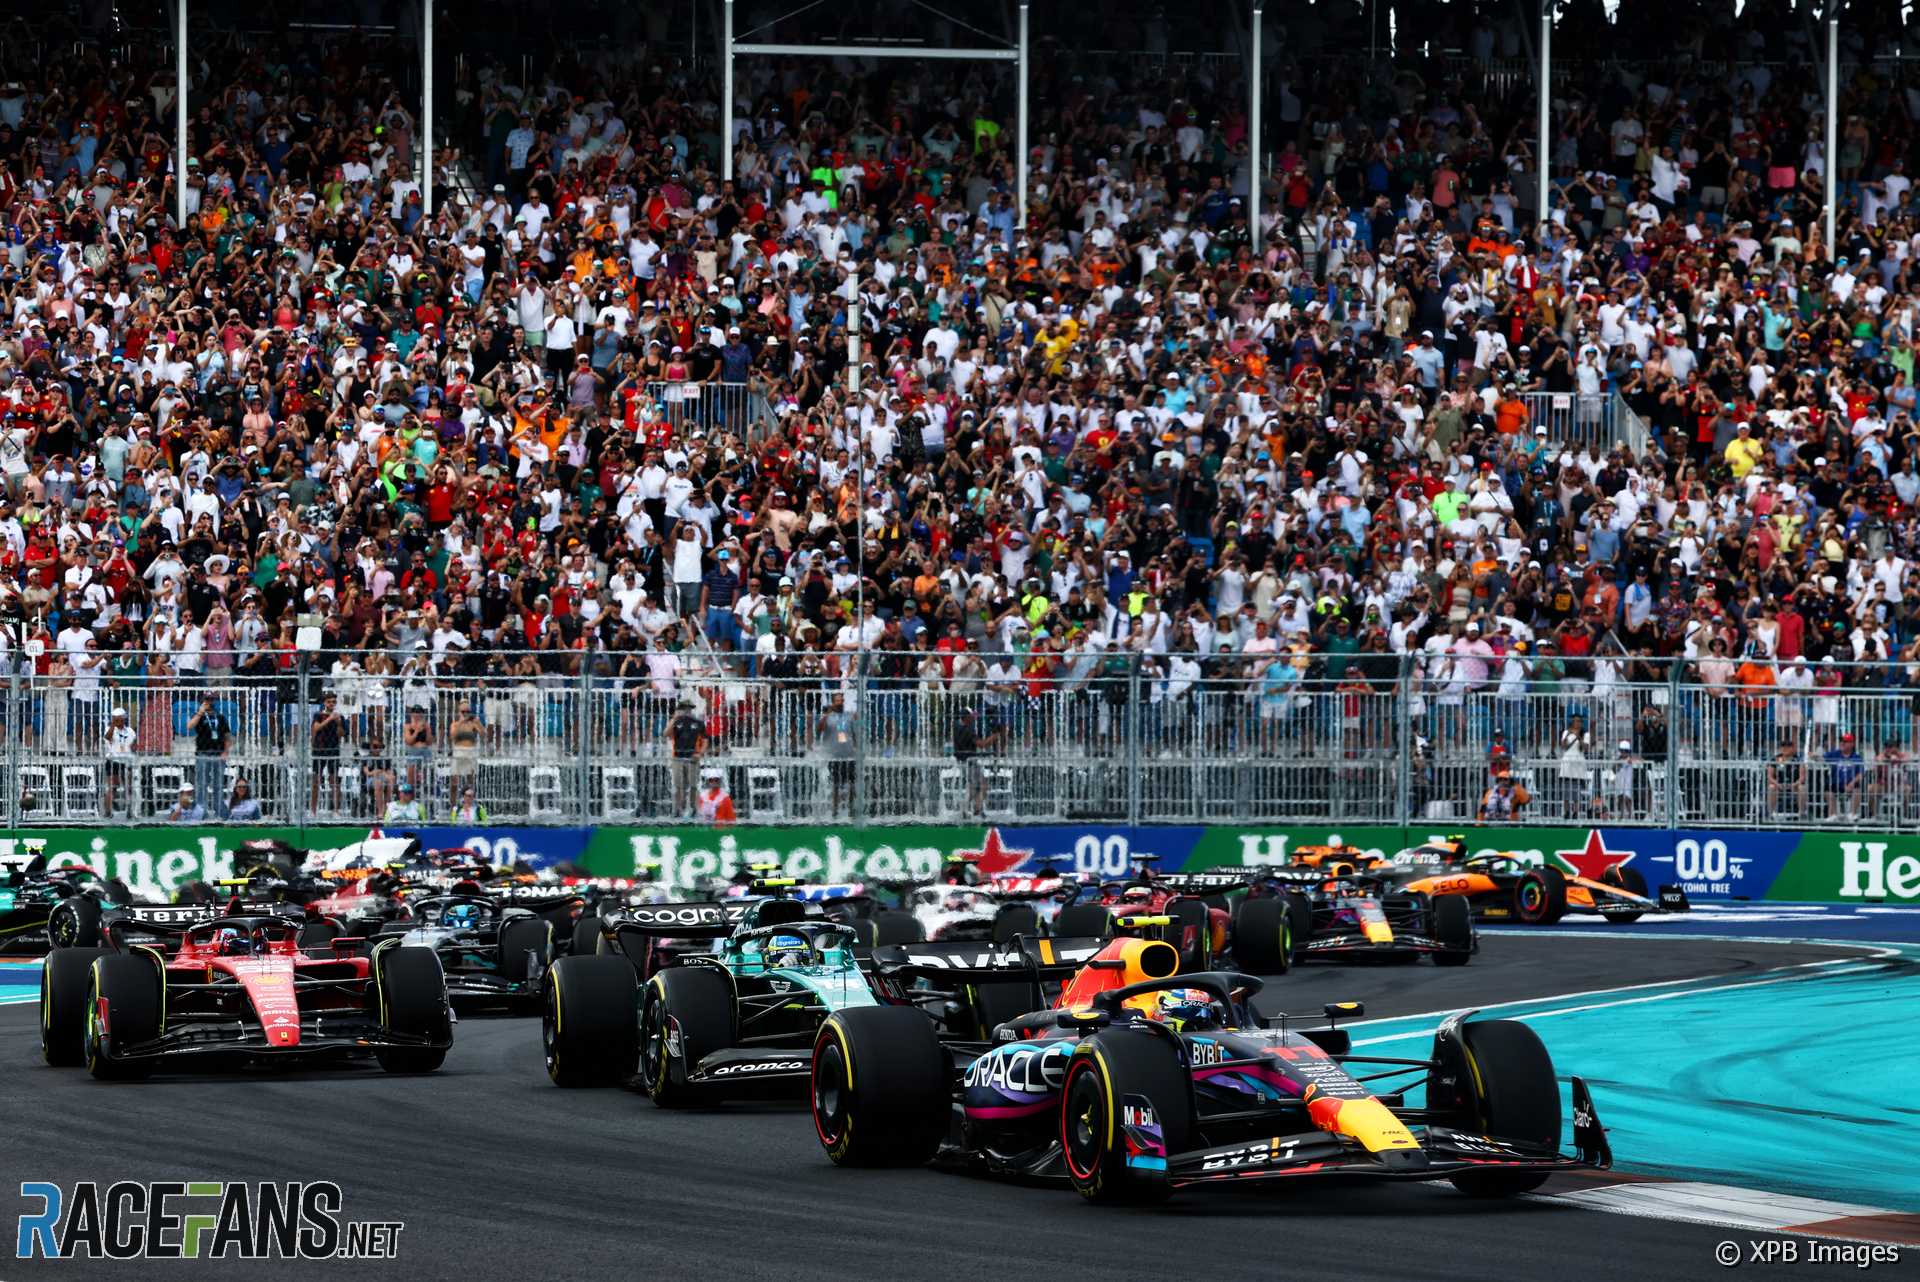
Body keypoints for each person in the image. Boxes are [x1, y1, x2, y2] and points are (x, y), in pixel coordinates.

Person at [816, 692, 858, 818]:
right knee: (835, 784)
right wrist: (826, 715)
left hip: (849, 755)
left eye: (841, 700)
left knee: (852, 784)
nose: (840, 703)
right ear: (833, 703)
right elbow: (819, 730)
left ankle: (851, 810)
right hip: (834, 755)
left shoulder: (850, 716)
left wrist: (857, 749)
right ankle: (835, 810)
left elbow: (855, 733)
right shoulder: (827, 716)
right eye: (837, 701)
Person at [187, 696, 230, 814]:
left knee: (218, 783)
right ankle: (201, 811)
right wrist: (200, 712)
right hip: (203, 753)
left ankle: (219, 810)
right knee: (201, 783)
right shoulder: (199, 716)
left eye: (211, 700)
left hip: (218, 754)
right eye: (206, 700)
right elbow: (189, 726)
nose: (209, 702)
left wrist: (225, 752)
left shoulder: (220, 717)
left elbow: (227, 736)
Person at [666, 701, 706, 818]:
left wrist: (700, 753)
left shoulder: (698, 722)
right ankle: (678, 809)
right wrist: (673, 719)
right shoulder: (675, 722)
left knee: (693, 785)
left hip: (692, 757)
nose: (687, 710)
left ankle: (694, 809)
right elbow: (665, 734)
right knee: (679, 785)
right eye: (684, 708)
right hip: (678, 757)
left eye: (689, 708)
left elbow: (705, 740)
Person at [310, 694, 345, 816]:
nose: (331, 704)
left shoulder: (340, 716)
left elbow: (341, 734)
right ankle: (313, 811)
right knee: (316, 781)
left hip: (333, 750)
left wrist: (339, 723)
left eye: (334, 702)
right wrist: (330, 719)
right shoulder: (318, 715)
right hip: (319, 750)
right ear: (325, 703)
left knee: (334, 781)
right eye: (329, 702)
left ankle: (336, 810)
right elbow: (316, 728)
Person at [102, 707, 136, 817]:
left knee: (129, 787)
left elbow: (134, 745)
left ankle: (130, 810)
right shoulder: (109, 729)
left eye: (119, 719)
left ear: (124, 719)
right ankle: (108, 812)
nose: (117, 721)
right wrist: (113, 725)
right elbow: (107, 738)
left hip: (126, 761)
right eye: (115, 719)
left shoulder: (130, 731)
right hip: (113, 761)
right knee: (112, 787)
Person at [1825, 732, 1865, 820]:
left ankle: (1852, 814)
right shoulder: (1834, 754)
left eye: (1845, 741)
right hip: (1836, 783)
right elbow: (1821, 758)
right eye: (1841, 741)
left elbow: (1861, 774)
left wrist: (1851, 783)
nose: (1842, 743)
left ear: (1852, 744)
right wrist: (1814, 756)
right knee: (1828, 788)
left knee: (1857, 788)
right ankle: (1833, 814)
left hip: (1851, 784)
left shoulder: (1857, 757)